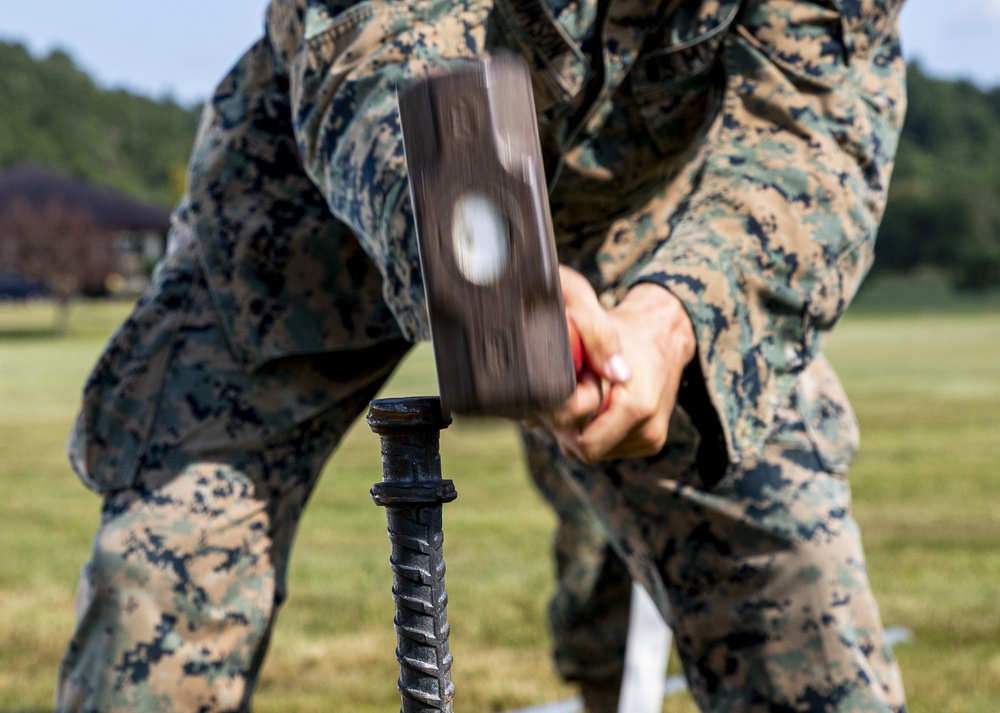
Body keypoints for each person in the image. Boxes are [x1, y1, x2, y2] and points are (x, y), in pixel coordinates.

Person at [57, 0, 909, 711]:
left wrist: (676, 319)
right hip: (336, 187)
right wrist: (499, 285)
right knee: (165, 574)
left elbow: (815, 116)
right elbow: (384, 33)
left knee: (795, 592)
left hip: (649, 228)